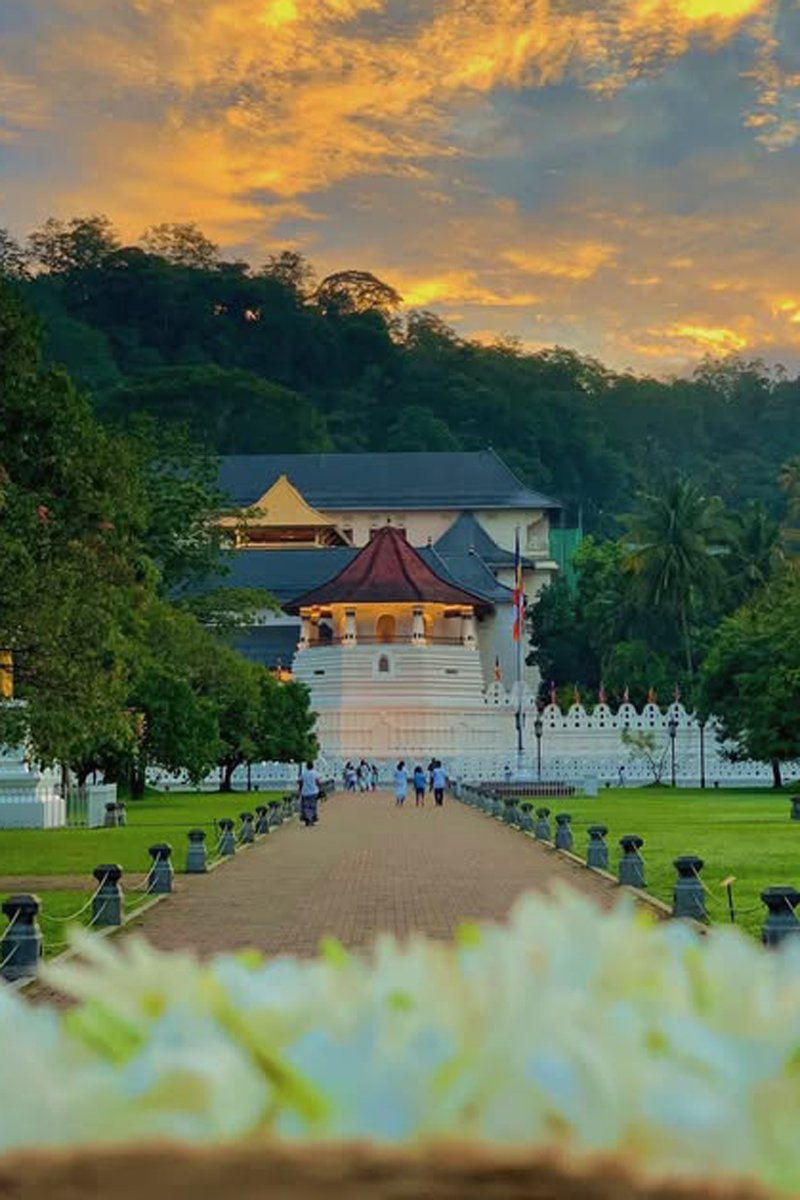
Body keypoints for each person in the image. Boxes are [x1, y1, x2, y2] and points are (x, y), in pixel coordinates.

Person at [299, 760, 322, 827]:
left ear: (306, 766)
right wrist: (321, 789)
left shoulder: (303, 773)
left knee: (305, 806)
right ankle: (311, 819)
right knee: (312, 806)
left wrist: (300, 790)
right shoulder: (315, 773)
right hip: (314, 792)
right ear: (313, 766)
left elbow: (300, 782)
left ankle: (307, 819)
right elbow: (318, 782)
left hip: (305, 792)